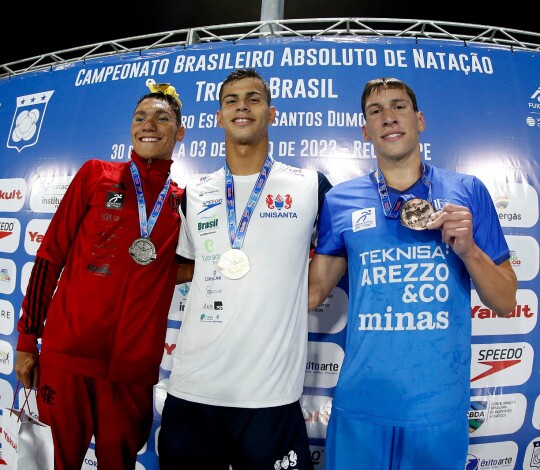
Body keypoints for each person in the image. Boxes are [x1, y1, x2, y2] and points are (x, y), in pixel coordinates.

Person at [308, 77, 518, 470]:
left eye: (399, 106)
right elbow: (313, 292)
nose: (389, 117)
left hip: (438, 410)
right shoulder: (340, 200)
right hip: (361, 406)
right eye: (376, 111)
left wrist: (469, 251)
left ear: (419, 120)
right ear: (365, 130)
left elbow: (506, 301)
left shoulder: (467, 190)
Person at [158, 68, 332, 470]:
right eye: (232, 100)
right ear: (219, 117)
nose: (242, 106)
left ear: (271, 113)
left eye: (253, 99)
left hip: (269, 396)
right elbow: (185, 268)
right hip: (193, 388)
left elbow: (339, 252)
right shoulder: (194, 194)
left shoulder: (310, 186)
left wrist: (307, 293)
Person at [14, 80, 193, 470]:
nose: (149, 124)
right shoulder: (96, 174)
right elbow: (50, 255)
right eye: (141, 117)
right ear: (131, 127)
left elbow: (181, 266)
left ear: (179, 133)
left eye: (162, 118)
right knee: (58, 462)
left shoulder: (182, 200)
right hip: (68, 358)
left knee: (118, 462)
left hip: (132, 369)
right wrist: (28, 338)